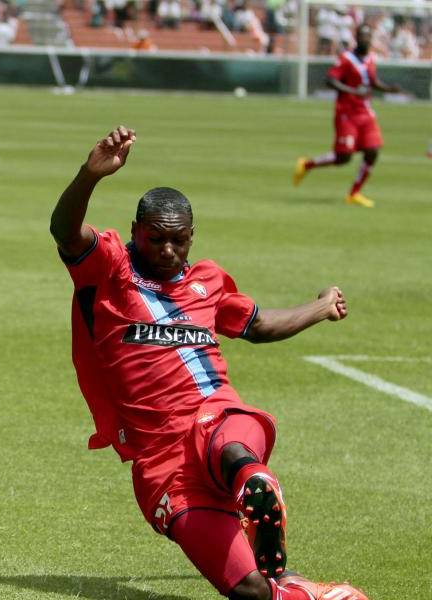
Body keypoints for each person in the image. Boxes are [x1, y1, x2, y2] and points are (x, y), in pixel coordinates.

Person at [51, 125, 369, 600]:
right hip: (161, 461)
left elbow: (259, 324)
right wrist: (89, 176)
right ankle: (300, 590)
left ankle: (252, 485)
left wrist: (321, 307)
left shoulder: (208, 281)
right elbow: (65, 231)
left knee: (234, 452)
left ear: (192, 237)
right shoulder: (109, 268)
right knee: (250, 592)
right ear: (136, 230)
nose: (167, 250)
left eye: (178, 241)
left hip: (219, 416)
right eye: (156, 238)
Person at [293, 24, 401, 208]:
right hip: (347, 112)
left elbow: (371, 81)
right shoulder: (346, 59)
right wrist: (351, 90)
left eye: (368, 36)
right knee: (344, 157)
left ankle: (354, 193)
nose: (365, 39)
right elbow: (330, 80)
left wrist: (389, 88)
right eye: (362, 36)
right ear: (356, 38)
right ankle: (306, 165)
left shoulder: (371, 58)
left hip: (365, 112)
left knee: (373, 150)